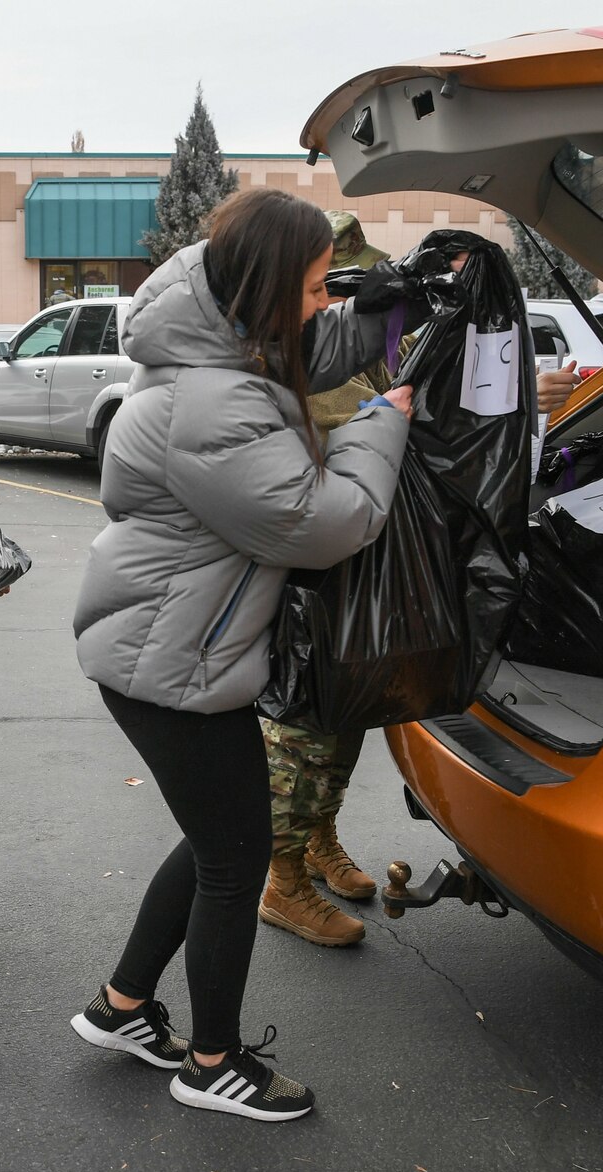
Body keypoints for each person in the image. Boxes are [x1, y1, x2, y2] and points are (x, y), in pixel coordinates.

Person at [67, 188, 418, 1122]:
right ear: (263, 290)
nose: (318, 305)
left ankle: (123, 1007)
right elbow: (323, 520)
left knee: (215, 835)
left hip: (162, 647)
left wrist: (383, 307)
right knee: (237, 857)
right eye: (309, 289)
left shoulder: (219, 343)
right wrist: (387, 417)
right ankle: (213, 1063)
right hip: (172, 666)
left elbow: (306, 351)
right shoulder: (210, 401)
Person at [259, 211, 583, 947]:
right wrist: (385, 419)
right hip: (327, 537)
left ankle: (317, 839)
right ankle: (281, 878)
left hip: (370, 530)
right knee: (308, 715)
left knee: (351, 700)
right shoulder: (281, 347)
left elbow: (438, 398)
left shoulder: (377, 332)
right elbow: (318, 437)